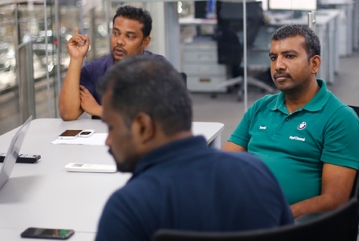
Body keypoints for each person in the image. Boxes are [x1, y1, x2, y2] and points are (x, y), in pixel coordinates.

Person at [95, 55, 293, 241]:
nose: (108, 140)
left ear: (143, 126)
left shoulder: (127, 208)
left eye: (111, 127)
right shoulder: (256, 173)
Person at [222, 25, 359, 218]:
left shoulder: (340, 118)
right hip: (244, 213)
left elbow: (334, 200)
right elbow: (223, 163)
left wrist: (278, 216)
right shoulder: (261, 107)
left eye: (289, 56)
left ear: (314, 64)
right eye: (273, 58)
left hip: (293, 227)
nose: (278, 65)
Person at [58, 5, 166, 120]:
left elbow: (159, 117)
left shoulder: (159, 68)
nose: (119, 41)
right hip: (104, 137)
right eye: (116, 33)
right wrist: (76, 58)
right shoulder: (95, 70)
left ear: (145, 41)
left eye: (129, 36)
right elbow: (68, 113)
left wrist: (99, 110)